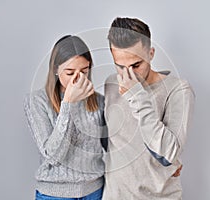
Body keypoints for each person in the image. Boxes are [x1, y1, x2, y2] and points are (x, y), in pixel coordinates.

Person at [102, 17, 195, 199]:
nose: (128, 74)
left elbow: (167, 154)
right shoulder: (111, 83)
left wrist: (137, 95)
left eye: (136, 65)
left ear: (151, 54)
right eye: (120, 66)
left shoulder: (178, 90)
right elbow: (109, 142)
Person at [24, 35, 106, 200]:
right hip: (54, 194)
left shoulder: (99, 101)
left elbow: (112, 146)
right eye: (70, 72)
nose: (78, 78)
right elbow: (53, 156)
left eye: (84, 71)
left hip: (94, 191)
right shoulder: (37, 101)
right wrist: (68, 103)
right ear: (56, 69)